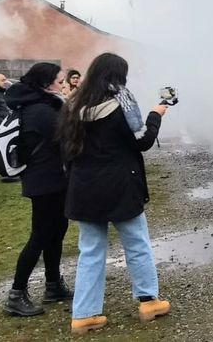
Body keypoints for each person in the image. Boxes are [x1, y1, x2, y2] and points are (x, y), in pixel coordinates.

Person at [58, 53, 169, 335]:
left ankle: (84, 315)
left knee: (91, 252)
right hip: (120, 185)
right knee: (137, 244)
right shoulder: (123, 101)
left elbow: (66, 151)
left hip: (84, 187)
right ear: (119, 75)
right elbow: (142, 140)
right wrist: (156, 114)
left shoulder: (73, 104)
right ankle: (148, 302)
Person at [3, 63, 74, 317]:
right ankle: (16, 295)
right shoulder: (40, 110)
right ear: (46, 84)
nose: (63, 85)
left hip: (52, 179)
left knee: (56, 232)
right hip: (44, 182)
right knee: (41, 236)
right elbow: (69, 137)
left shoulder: (41, 105)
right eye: (59, 81)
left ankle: (53, 285)